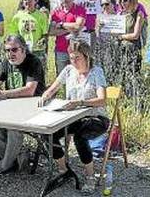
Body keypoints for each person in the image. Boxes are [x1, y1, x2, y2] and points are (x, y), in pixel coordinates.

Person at [39, 40, 109, 194]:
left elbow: (102, 99)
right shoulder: (69, 70)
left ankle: (91, 176)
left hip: (96, 117)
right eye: (71, 58)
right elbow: (53, 88)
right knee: (47, 133)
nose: (74, 61)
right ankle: (64, 168)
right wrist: (45, 95)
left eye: (78, 58)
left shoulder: (96, 72)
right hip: (71, 117)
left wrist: (80, 102)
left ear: (87, 57)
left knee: (79, 137)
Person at [0, 35, 45, 174]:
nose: (10, 54)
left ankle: (5, 164)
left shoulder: (33, 62)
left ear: (24, 49)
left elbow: (29, 90)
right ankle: (18, 154)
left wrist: (3, 94)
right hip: (10, 106)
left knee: (13, 127)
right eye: (7, 50)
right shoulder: (6, 62)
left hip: (33, 107)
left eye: (14, 50)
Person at [10, 0, 49, 80]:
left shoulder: (41, 16)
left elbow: (45, 34)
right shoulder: (17, 16)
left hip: (37, 51)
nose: (28, 1)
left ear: (35, 0)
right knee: (23, 75)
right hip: (23, 51)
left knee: (39, 75)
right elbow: (14, 35)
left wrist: (42, 40)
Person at [50, 0, 86, 75]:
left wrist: (61, 25)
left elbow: (78, 26)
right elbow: (51, 32)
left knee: (78, 76)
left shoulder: (80, 9)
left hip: (76, 50)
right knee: (62, 77)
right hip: (60, 50)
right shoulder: (56, 12)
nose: (65, 0)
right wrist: (71, 29)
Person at [116, 0, 145, 97]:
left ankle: (136, 99)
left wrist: (121, 36)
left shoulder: (139, 13)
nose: (122, 2)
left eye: (125, 0)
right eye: (120, 0)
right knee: (122, 76)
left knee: (133, 77)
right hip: (120, 49)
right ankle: (124, 99)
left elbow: (135, 35)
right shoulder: (120, 13)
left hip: (133, 50)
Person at [94, 0, 120, 84]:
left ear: (113, 4)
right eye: (102, 5)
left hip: (116, 48)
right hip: (102, 48)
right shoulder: (99, 16)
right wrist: (98, 28)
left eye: (107, 4)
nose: (104, 7)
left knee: (114, 71)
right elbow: (96, 36)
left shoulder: (119, 17)